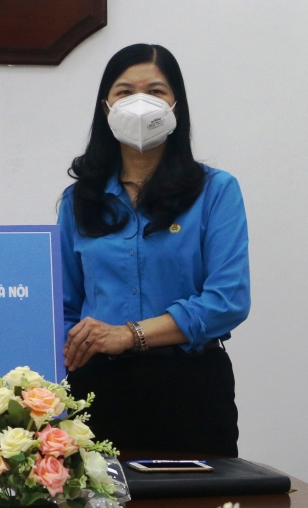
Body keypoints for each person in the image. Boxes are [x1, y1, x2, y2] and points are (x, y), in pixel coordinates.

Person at [59, 44, 250, 457]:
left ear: (176, 105)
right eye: (124, 91)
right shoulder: (79, 200)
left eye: (156, 91)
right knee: (97, 492)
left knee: (199, 493)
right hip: (97, 388)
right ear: (106, 107)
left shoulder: (216, 191)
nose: (140, 103)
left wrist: (129, 335)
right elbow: (64, 306)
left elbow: (227, 301)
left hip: (189, 384)